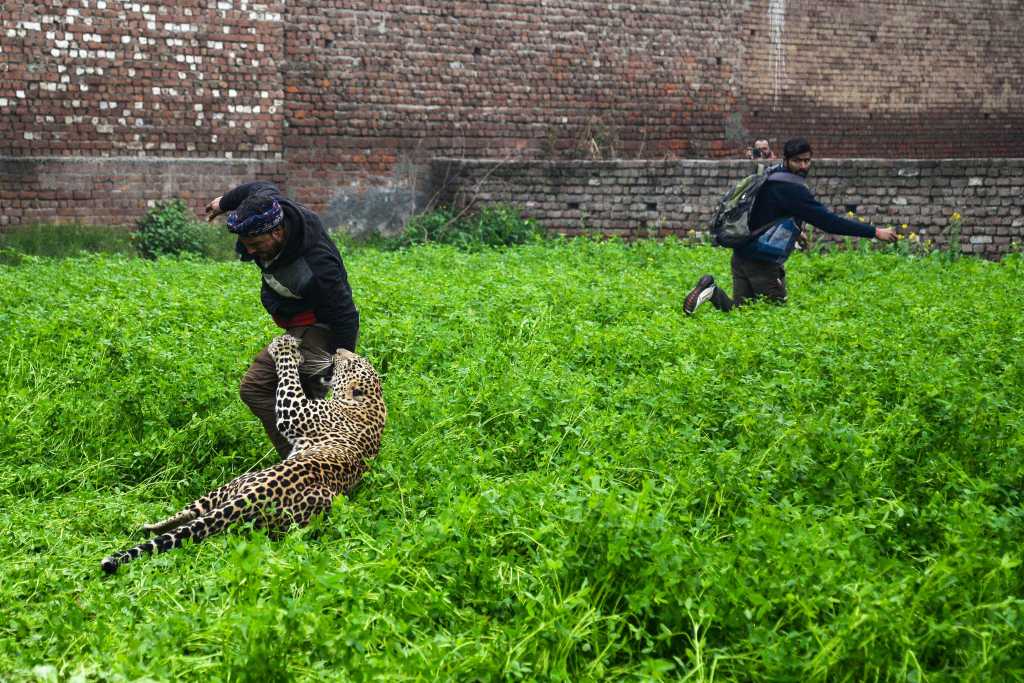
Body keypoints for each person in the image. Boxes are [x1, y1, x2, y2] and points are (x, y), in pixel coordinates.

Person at [205, 182, 360, 457]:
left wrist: (341, 369)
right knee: (279, 398)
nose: (250, 251)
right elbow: (257, 187)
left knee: (260, 389)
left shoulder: (318, 264)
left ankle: (310, 465)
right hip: (296, 322)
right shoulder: (267, 204)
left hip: (319, 328)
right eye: (245, 244)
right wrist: (223, 203)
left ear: (277, 232)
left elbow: (345, 313)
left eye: (255, 244)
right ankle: (312, 460)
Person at [684, 137, 897, 314]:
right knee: (777, 318)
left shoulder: (770, 176)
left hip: (742, 253)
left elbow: (767, 214)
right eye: (798, 161)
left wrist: (797, 232)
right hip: (763, 262)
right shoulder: (792, 189)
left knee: (742, 314)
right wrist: (875, 232)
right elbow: (829, 223)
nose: (803, 166)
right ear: (786, 160)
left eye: (807, 161)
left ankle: (712, 291)